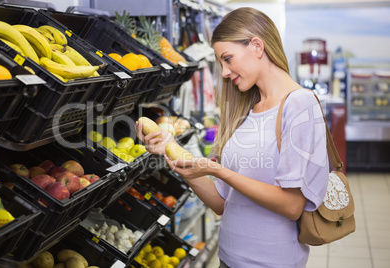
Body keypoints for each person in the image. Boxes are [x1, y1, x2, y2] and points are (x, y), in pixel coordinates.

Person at [136, 7, 329, 268]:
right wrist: (176, 155)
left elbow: (292, 205)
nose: (225, 72)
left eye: (228, 58)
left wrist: (219, 171)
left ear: (257, 46)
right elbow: (222, 203)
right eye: (221, 63)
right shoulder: (246, 110)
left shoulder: (300, 104)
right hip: (228, 259)